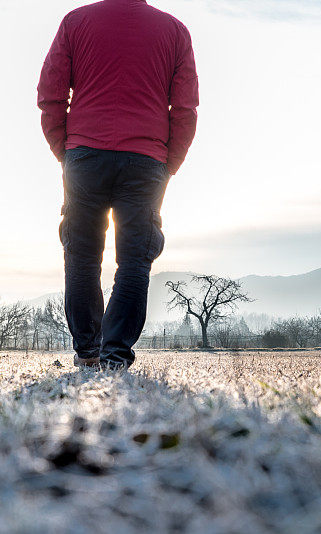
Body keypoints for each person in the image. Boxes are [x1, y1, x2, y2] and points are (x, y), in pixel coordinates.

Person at [37, 0, 198, 370]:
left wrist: (64, 148)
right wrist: (170, 161)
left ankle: (88, 352)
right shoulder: (174, 31)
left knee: (80, 255)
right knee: (135, 260)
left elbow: (50, 94)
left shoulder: (75, 22)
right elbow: (185, 109)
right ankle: (115, 355)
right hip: (146, 160)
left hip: (84, 154)